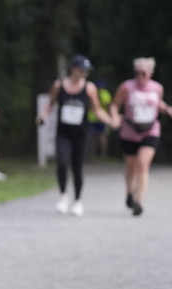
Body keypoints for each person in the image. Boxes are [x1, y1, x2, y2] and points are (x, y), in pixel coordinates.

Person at [35, 55, 117, 217]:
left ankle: (78, 201)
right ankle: (63, 197)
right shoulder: (59, 85)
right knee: (62, 163)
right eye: (81, 69)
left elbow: (97, 110)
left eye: (86, 70)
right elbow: (50, 104)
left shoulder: (89, 88)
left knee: (77, 167)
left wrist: (110, 121)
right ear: (72, 69)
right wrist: (42, 116)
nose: (84, 73)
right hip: (63, 133)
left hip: (81, 134)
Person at [108, 57, 172, 216]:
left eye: (144, 73)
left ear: (151, 73)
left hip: (150, 131)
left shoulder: (157, 88)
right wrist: (114, 117)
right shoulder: (126, 87)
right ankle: (129, 192)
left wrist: (168, 109)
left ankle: (138, 202)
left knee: (142, 164)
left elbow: (158, 103)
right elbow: (115, 105)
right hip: (129, 131)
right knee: (131, 167)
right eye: (138, 72)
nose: (140, 75)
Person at [86, 80, 113, 159]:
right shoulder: (105, 93)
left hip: (91, 118)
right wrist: (110, 116)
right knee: (102, 137)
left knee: (92, 137)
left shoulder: (92, 92)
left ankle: (92, 154)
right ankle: (103, 154)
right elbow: (109, 106)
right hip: (102, 118)